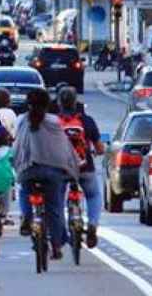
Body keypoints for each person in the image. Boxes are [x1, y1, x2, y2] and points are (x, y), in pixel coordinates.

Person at [12, 87, 81, 260]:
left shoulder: (22, 120)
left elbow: (17, 145)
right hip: (53, 171)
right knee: (54, 208)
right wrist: (71, 167)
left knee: (24, 191)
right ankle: (56, 246)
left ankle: (27, 217)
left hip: (28, 169)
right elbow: (64, 147)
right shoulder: (54, 121)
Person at [57, 86, 104, 248]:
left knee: (57, 200)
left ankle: (61, 232)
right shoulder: (86, 121)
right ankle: (92, 224)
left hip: (61, 169)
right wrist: (98, 151)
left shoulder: (54, 122)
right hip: (85, 168)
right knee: (93, 195)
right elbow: (99, 148)